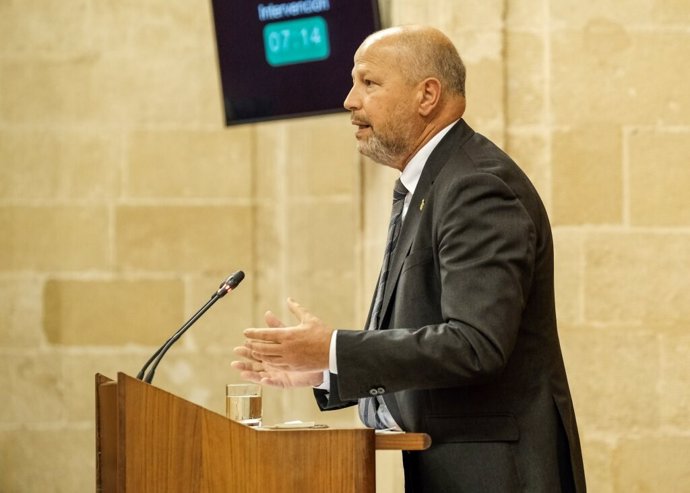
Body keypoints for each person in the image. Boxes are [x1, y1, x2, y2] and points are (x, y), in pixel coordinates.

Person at [231, 25, 586, 492]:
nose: (349, 101)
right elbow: (428, 342)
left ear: (427, 95)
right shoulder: (431, 183)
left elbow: (475, 345)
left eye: (369, 83)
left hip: (498, 476)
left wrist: (334, 347)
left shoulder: (474, 186)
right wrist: (327, 368)